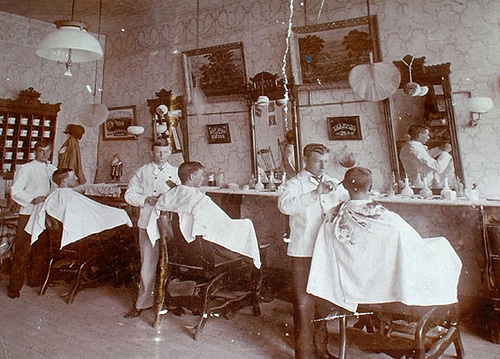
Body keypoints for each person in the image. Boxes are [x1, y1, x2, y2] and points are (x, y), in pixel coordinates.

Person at [307, 167, 462, 312]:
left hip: (352, 277)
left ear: (345, 187)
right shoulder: (385, 217)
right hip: (381, 281)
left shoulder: (333, 214)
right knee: (442, 247)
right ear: (370, 187)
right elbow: (410, 242)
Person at [278, 143, 349, 359]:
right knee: (303, 304)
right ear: (306, 159)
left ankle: (321, 349)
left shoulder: (332, 183)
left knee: (323, 302)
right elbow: (285, 206)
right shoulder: (294, 184)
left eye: (326, 162)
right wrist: (314, 193)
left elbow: (345, 199)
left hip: (327, 251)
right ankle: (304, 354)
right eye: (318, 161)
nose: (322, 166)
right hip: (303, 251)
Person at [148, 161, 261, 268]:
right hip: (202, 254)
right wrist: (246, 224)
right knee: (246, 225)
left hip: (181, 252)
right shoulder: (200, 200)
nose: (203, 178)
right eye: (201, 175)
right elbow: (224, 224)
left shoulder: (166, 197)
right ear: (192, 177)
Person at [123, 141, 180, 318]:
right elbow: (129, 195)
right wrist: (146, 199)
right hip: (148, 221)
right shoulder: (143, 171)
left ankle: (171, 300)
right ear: (151, 153)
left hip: (171, 222)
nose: (162, 155)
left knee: (174, 262)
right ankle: (143, 303)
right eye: (158, 152)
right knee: (147, 263)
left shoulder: (176, 172)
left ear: (170, 152)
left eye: (165, 152)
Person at [25, 168, 132, 249]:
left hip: (57, 238)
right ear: (64, 181)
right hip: (78, 240)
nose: (77, 178)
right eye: (73, 176)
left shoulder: (54, 195)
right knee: (119, 226)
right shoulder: (68, 196)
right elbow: (91, 214)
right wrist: (120, 213)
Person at [7, 141, 56, 298]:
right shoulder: (26, 169)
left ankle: (35, 280)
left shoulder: (52, 170)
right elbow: (15, 191)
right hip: (28, 213)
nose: (44, 154)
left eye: (47, 151)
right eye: (41, 151)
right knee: (23, 250)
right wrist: (31, 199)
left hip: (44, 214)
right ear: (35, 151)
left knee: (41, 249)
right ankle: (14, 288)